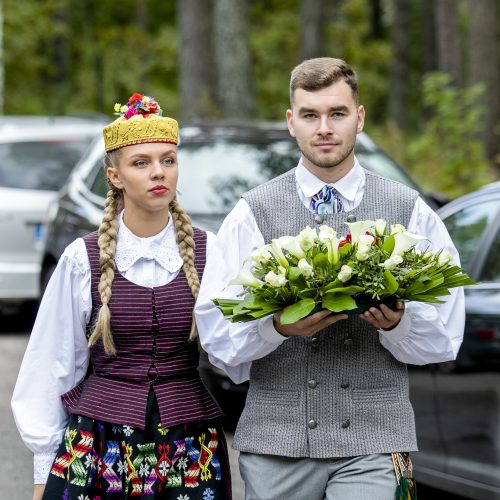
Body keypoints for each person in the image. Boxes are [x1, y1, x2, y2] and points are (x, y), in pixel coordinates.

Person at [194, 57, 465, 499]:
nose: (324, 127)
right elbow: (219, 338)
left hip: (376, 439)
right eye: (310, 115)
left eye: (337, 113)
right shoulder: (252, 213)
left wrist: (398, 323)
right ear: (291, 122)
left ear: (358, 118)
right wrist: (276, 327)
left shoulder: (409, 209)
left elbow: (444, 336)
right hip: (276, 442)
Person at [12, 93, 232, 500]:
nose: (158, 172)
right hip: (99, 443)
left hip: (188, 444)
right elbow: (52, 364)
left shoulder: (209, 250)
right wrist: (44, 468)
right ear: (115, 176)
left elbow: (231, 352)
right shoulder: (83, 259)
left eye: (168, 160)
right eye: (141, 163)